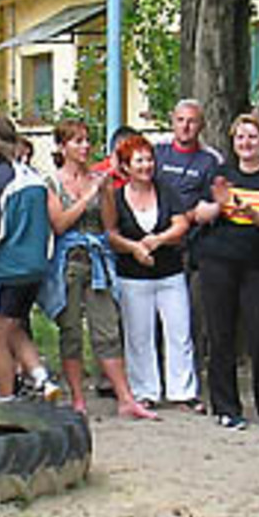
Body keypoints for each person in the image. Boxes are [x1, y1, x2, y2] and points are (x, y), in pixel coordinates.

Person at [190, 112, 259, 430]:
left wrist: (252, 214)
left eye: (252, 137)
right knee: (220, 336)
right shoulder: (220, 173)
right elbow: (199, 213)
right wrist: (221, 204)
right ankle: (226, 407)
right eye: (240, 137)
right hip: (218, 262)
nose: (246, 143)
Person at [47, 119, 153, 419]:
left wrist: (105, 193)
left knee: (107, 328)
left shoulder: (97, 178)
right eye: (77, 141)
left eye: (87, 140)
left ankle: (125, 398)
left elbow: (109, 225)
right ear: (62, 147)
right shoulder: (52, 182)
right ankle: (78, 399)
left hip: (97, 261)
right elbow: (59, 224)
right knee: (71, 331)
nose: (85, 146)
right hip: (68, 261)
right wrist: (87, 196)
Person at [0, 114, 64, 403]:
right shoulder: (35, 179)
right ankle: (41, 378)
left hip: (2, 270)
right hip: (34, 269)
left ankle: (6, 399)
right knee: (15, 327)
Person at [103, 133, 195, 408]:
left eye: (149, 159)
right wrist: (134, 248)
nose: (146, 166)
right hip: (132, 276)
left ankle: (182, 391)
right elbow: (111, 234)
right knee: (138, 336)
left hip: (170, 273)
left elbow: (181, 224)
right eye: (139, 161)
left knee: (179, 333)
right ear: (126, 166)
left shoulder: (166, 190)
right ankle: (145, 391)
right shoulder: (116, 197)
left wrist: (159, 240)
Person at [155, 99, 222, 387]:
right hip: (156, 246)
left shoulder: (211, 160)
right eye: (181, 120)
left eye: (192, 121)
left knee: (190, 319)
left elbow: (215, 204)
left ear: (201, 125)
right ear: (172, 121)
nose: (186, 126)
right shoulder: (157, 152)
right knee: (151, 321)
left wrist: (191, 217)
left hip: (194, 250)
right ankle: (152, 381)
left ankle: (188, 383)